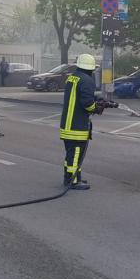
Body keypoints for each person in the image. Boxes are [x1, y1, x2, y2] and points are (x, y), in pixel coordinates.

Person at [59, 54, 100, 190]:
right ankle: (74, 181)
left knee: (71, 155)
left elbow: (78, 96)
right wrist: (98, 107)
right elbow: (87, 104)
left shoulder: (73, 77)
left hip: (67, 124)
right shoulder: (87, 80)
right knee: (76, 154)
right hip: (77, 126)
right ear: (91, 68)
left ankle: (70, 177)